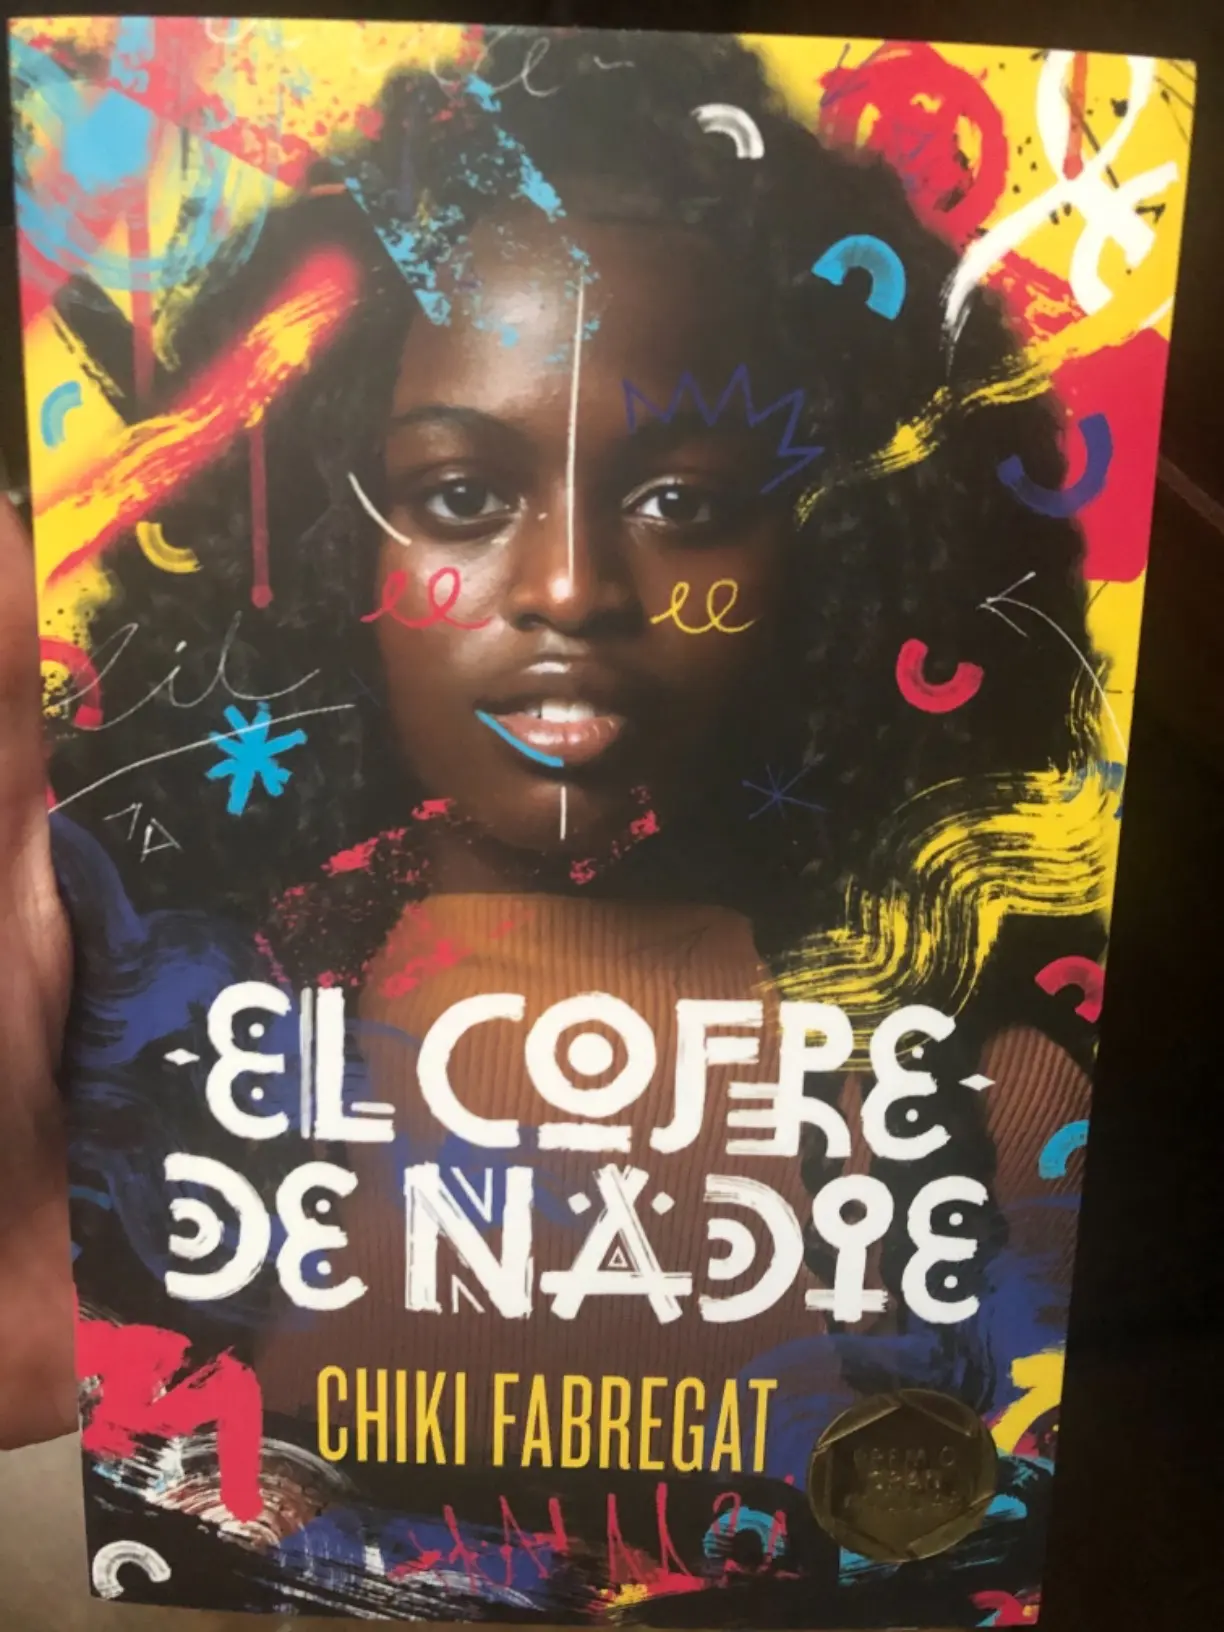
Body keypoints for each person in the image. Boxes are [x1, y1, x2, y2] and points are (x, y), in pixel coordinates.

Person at [4, 26, 1099, 1616]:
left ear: (841, 548)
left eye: (683, 503)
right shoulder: (167, 1051)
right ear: (326, 544)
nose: (574, 589)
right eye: (460, 496)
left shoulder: (978, 1108)